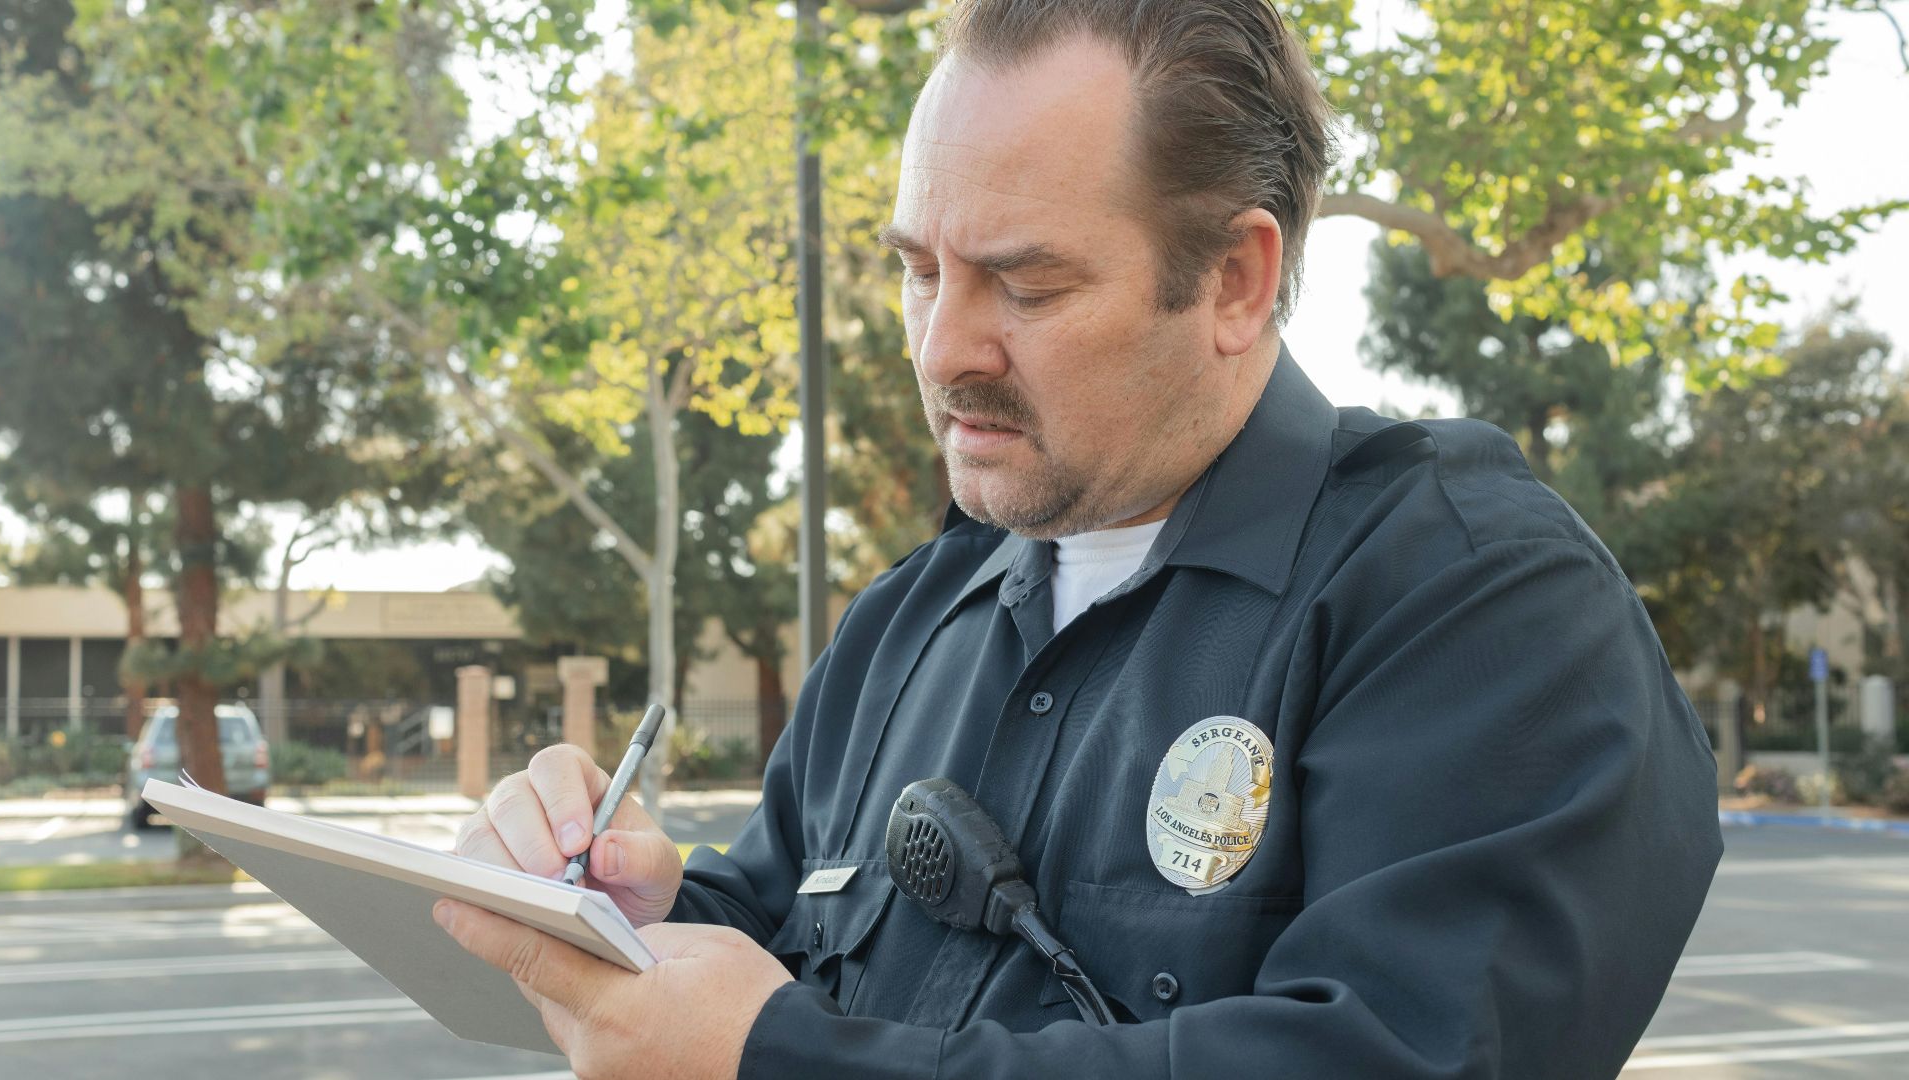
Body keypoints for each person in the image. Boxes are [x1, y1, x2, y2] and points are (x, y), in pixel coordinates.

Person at [436, 2, 1723, 1077]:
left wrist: (778, 1060)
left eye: (1027, 284)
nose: (943, 351)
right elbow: (771, 929)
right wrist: (621, 917)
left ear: (1235, 279)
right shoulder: (907, 622)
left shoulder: (1471, 598)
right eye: (919, 271)